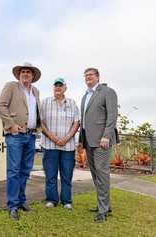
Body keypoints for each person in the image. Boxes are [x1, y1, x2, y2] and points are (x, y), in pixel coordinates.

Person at [0, 62, 41, 221]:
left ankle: (21, 201)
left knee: (25, 171)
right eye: (23, 71)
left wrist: (37, 128)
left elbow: (34, 112)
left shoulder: (35, 91)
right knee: (14, 171)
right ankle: (12, 206)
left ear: (33, 76)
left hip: (31, 136)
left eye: (29, 72)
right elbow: (0, 106)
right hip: (15, 136)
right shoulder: (11, 86)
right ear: (19, 74)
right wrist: (11, 125)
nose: (26, 74)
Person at [79, 67, 118, 222]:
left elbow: (112, 115)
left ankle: (103, 211)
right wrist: (81, 140)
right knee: (96, 175)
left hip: (102, 140)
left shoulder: (107, 92)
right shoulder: (85, 96)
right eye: (85, 76)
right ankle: (104, 205)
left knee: (102, 173)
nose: (88, 77)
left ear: (98, 77)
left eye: (90, 75)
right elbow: (84, 121)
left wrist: (106, 136)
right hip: (88, 141)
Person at [41, 78, 80, 210]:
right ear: (53, 88)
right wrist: (54, 138)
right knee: (50, 175)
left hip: (67, 147)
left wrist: (67, 138)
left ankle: (66, 201)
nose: (58, 88)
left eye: (61, 85)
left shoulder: (72, 103)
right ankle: (52, 200)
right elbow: (41, 123)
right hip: (49, 145)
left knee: (67, 175)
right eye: (56, 85)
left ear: (65, 88)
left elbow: (76, 123)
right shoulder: (45, 103)